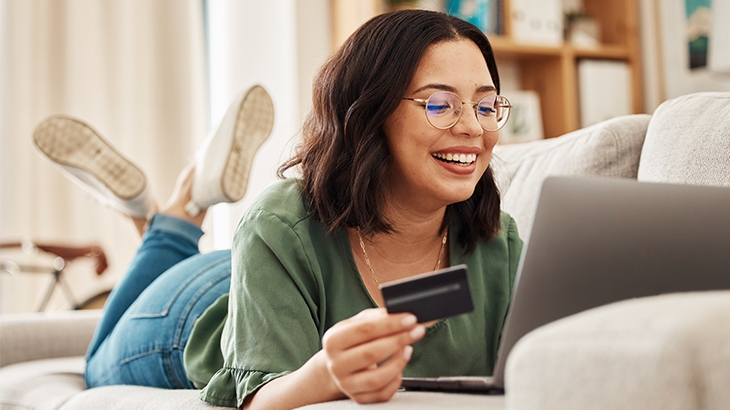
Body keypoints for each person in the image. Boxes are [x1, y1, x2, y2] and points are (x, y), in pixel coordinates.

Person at [35, 9, 522, 409]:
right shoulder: (280, 222)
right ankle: (172, 224)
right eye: (440, 104)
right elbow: (258, 398)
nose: (474, 129)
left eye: (485, 106)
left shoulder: (500, 242)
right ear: (370, 111)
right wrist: (326, 374)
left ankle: (171, 211)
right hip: (194, 311)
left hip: (273, 273)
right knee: (95, 365)